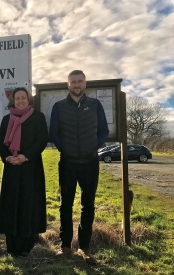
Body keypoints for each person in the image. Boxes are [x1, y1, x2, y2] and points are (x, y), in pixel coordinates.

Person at [49, 70, 109, 263]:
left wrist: (94, 145)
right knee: (65, 205)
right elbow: (54, 132)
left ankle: (85, 248)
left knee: (88, 206)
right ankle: (65, 246)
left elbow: (104, 131)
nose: (77, 84)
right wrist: (65, 148)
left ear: (85, 84)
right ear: (68, 84)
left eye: (80, 81)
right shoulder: (58, 106)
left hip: (90, 163)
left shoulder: (95, 105)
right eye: (73, 81)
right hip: (67, 163)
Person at [0, 87, 48, 257]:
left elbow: (41, 141)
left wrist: (25, 156)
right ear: (13, 101)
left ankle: (26, 245)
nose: (20, 101)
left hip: (30, 168)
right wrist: (7, 158)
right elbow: (0, 143)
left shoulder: (37, 117)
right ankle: (11, 244)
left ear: (28, 99)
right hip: (11, 168)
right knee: (11, 205)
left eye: (23, 98)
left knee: (28, 204)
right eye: (17, 98)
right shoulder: (6, 119)